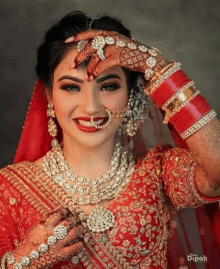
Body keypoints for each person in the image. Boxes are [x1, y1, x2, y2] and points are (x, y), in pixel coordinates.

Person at [0, 11, 220, 269]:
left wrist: (156, 66)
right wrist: (24, 260)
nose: (91, 108)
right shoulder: (11, 189)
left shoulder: (158, 171)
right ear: (49, 95)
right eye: (71, 87)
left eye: (108, 86)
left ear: (130, 94)